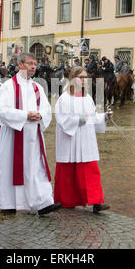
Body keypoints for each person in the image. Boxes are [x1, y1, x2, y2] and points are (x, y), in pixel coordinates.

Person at [0, 52, 61, 215]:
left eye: (34, 64)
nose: (33, 67)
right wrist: (25, 115)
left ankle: (42, 202)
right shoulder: (8, 86)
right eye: (29, 63)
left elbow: (46, 108)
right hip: (14, 134)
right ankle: (8, 203)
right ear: (19, 65)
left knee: (36, 167)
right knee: (11, 166)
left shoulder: (37, 87)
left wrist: (41, 115)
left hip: (33, 135)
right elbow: (2, 110)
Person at [54, 67, 112, 213]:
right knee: (68, 171)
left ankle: (96, 201)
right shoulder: (64, 98)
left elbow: (92, 117)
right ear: (73, 78)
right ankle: (67, 201)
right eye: (81, 77)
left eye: (86, 77)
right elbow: (62, 120)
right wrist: (78, 120)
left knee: (90, 171)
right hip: (70, 139)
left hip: (86, 139)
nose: (84, 80)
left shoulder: (87, 98)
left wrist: (104, 116)